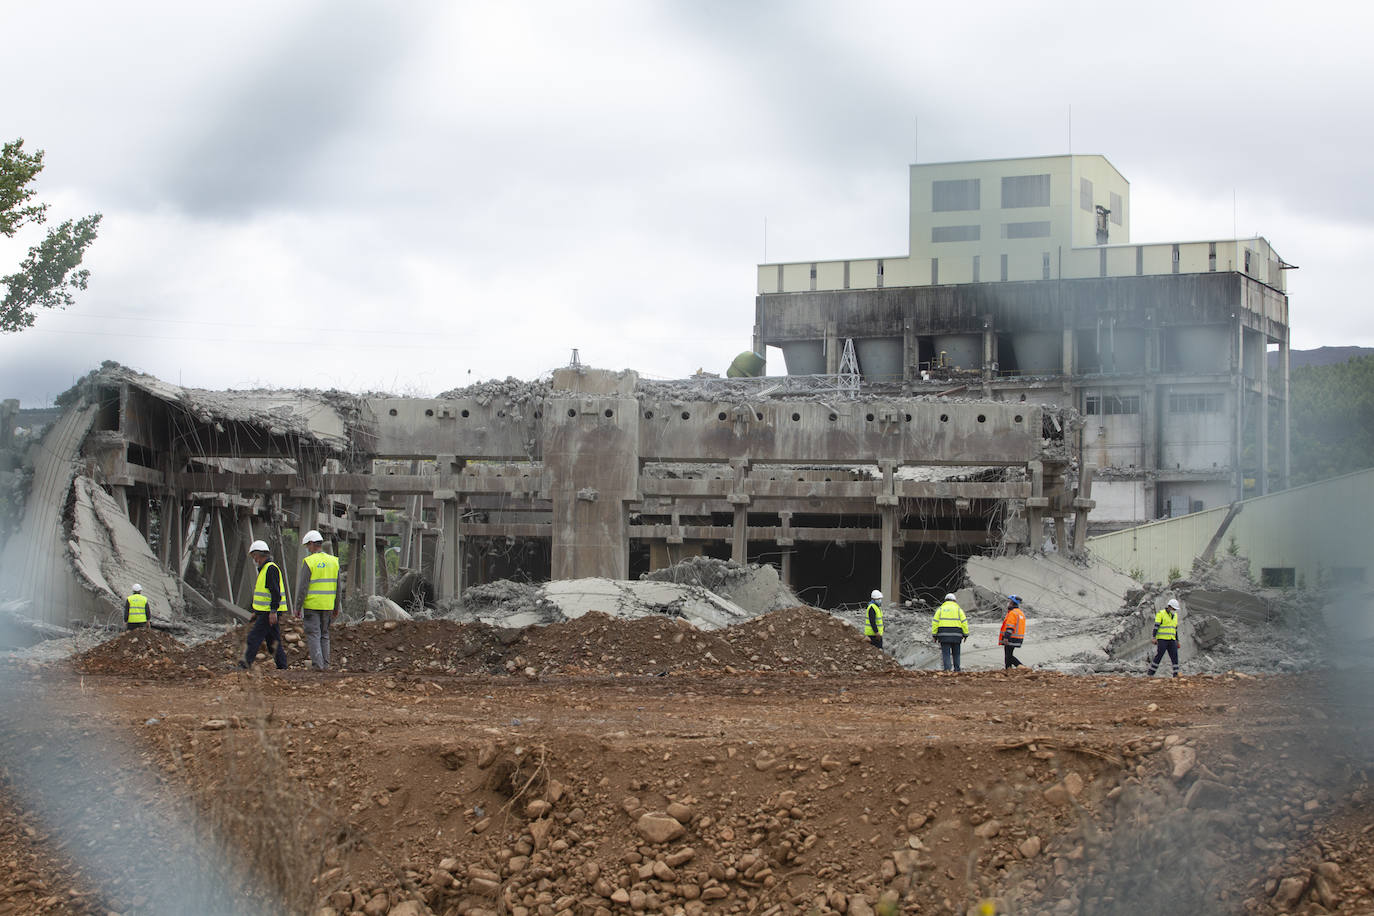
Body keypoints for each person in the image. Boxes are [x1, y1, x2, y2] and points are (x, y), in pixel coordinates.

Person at [238, 539, 289, 670]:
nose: (254, 559)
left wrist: (273, 611)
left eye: (254, 556)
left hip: (269, 612)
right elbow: (265, 594)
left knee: (253, 637)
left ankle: (244, 665)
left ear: (260, 554)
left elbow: (275, 592)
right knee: (273, 641)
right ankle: (282, 667)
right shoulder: (265, 569)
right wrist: (257, 612)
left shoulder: (270, 569)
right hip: (266, 611)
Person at [294, 529, 340, 670]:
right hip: (328, 605)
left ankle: (318, 666)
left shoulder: (309, 562)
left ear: (313, 544)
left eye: (308, 546)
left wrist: (297, 607)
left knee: (314, 634)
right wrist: (336, 607)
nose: (308, 549)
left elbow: (303, 587)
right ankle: (325, 665)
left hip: (312, 605)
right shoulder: (333, 561)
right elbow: (338, 587)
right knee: (324, 635)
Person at [931, 592, 969, 672]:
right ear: (955, 601)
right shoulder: (959, 610)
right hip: (956, 635)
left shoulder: (940, 610)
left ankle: (947, 670)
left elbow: (935, 622)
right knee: (956, 653)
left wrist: (934, 635)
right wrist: (965, 634)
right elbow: (964, 622)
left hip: (943, 635)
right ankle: (957, 669)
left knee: (946, 654)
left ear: (945, 601)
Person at [1146, 597, 1182, 678]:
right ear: (1169, 607)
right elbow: (1156, 627)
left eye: (1175, 609)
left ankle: (1176, 674)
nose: (1174, 610)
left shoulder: (1175, 616)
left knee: (1175, 656)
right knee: (1159, 655)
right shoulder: (1161, 614)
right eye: (1173, 608)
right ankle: (1150, 673)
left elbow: (1175, 629)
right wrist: (1154, 637)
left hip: (1172, 639)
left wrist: (1177, 640)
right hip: (1162, 639)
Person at [999, 595, 1027, 669]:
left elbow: (1010, 627)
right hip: (1018, 638)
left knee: (1008, 655)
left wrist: (1006, 637)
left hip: (1011, 637)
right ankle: (1009, 669)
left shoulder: (1012, 613)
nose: (1008, 603)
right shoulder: (1020, 613)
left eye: (1009, 602)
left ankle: (1021, 667)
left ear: (1012, 603)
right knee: (1009, 654)